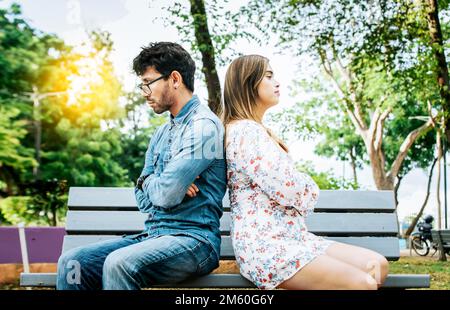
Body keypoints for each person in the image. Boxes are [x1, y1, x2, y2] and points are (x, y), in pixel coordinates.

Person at [56, 42, 226, 290]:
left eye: (148, 82)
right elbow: (145, 198)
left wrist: (161, 184)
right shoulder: (160, 133)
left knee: (120, 263)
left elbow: (166, 196)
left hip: (194, 240)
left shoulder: (204, 127)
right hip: (153, 235)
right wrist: (155, 181)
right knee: (73, 263)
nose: (144, 91)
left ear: (175, 79)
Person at [222, 54, 389, 290]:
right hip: (267, 246)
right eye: (269, 77)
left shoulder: (259, 131)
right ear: (248, 83)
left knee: (377, 265)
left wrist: (300, 185)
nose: (277, 82)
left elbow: (287, 185)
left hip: (295, 239)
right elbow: (289, 188)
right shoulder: (245, 132)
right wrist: (308, 186)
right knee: (362, 284)